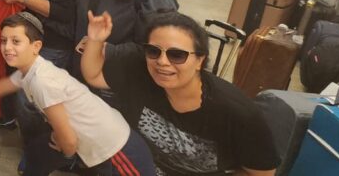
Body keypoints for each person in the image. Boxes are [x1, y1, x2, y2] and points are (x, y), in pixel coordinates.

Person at [81, 11, 280, 175]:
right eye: (153, 51)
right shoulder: (140, 71)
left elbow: (262, 173)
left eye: (177, 55)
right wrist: (95, 39)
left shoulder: (238, 113)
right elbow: (94, 75)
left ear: (200, 61)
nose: (162, 62)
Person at [0, 13, 156, 176]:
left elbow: (70, 142)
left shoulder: (42, 81)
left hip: (119, 151)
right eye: (3, 40)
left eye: (16, 41)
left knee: (50, 149)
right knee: (37, 152)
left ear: (36, 46)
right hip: (100, 142)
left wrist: (67, 148)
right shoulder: (29, 70)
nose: (7, 47)